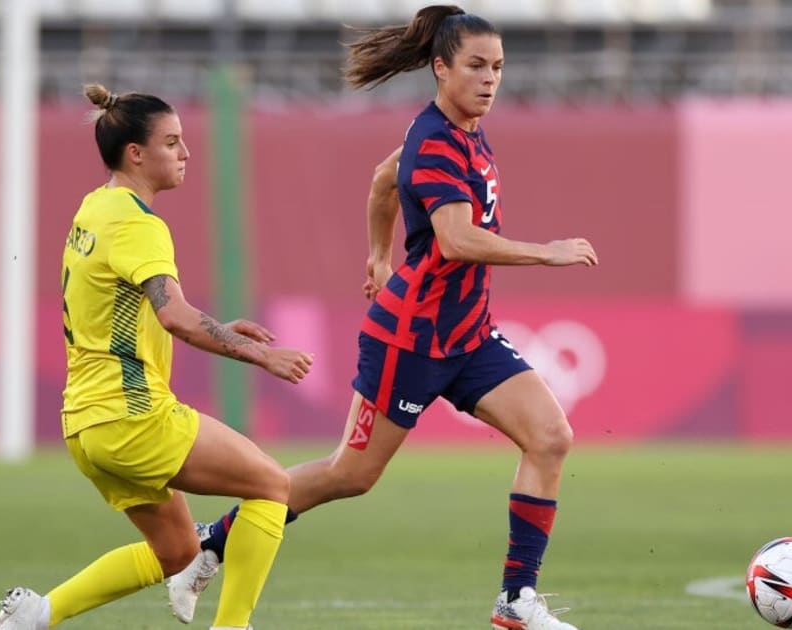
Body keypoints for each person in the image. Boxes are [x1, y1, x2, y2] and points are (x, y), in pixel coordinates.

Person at [167, 6, 599, 629]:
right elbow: (455, 240)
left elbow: (380, 181)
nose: (490, 79)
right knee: (350, 475)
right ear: (440, 67)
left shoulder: (464, 131)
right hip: (410, 342)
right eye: (476, 66)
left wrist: (377, 255)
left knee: (551, 436)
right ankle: (215, 543)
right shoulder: (436, 141)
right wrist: (545, 252)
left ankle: (516, 600)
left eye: (498, 67)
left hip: (467, 335)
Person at [0, 84, 314, 630]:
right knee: (272, 486)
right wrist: (262, 355)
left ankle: (36, 615)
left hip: (87, 425)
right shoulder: (138, 223)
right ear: (135, 153)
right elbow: (176, 316)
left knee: (178, 553)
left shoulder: (96, 207)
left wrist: (218, 326)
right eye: (172, 142)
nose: (185, 153)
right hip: (132, 412)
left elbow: (128, 304)